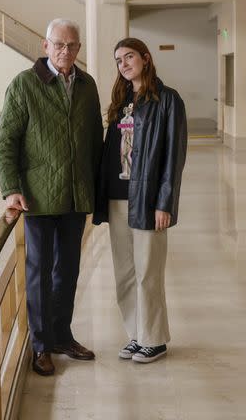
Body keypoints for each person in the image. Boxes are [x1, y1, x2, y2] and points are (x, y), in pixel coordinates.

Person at [0, 18, 103, 376]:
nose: (65, 51)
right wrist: (11, 189)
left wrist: (97, 192)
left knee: (68, 270)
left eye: (72, 45)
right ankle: (40, 345)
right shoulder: (24, 85)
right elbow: (6, 142)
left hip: (75, 197)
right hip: (38, 199)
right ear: (45, 46)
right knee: (39, 272)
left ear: (79, 49)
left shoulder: (87, 86)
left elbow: (95, 144)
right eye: (59, 44)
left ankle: (61, 335)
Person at [94, 37, 187, 363]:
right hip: (118, 198)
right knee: (126, 273)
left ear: (146, 58)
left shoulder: (168, 100)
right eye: (119, 60)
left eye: (129, 56)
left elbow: (174, 158)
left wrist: (165, 202)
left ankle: (155, 339)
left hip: (147, 199)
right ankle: (137, 333)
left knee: (148, 272)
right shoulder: (122, 102)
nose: (124, 64)